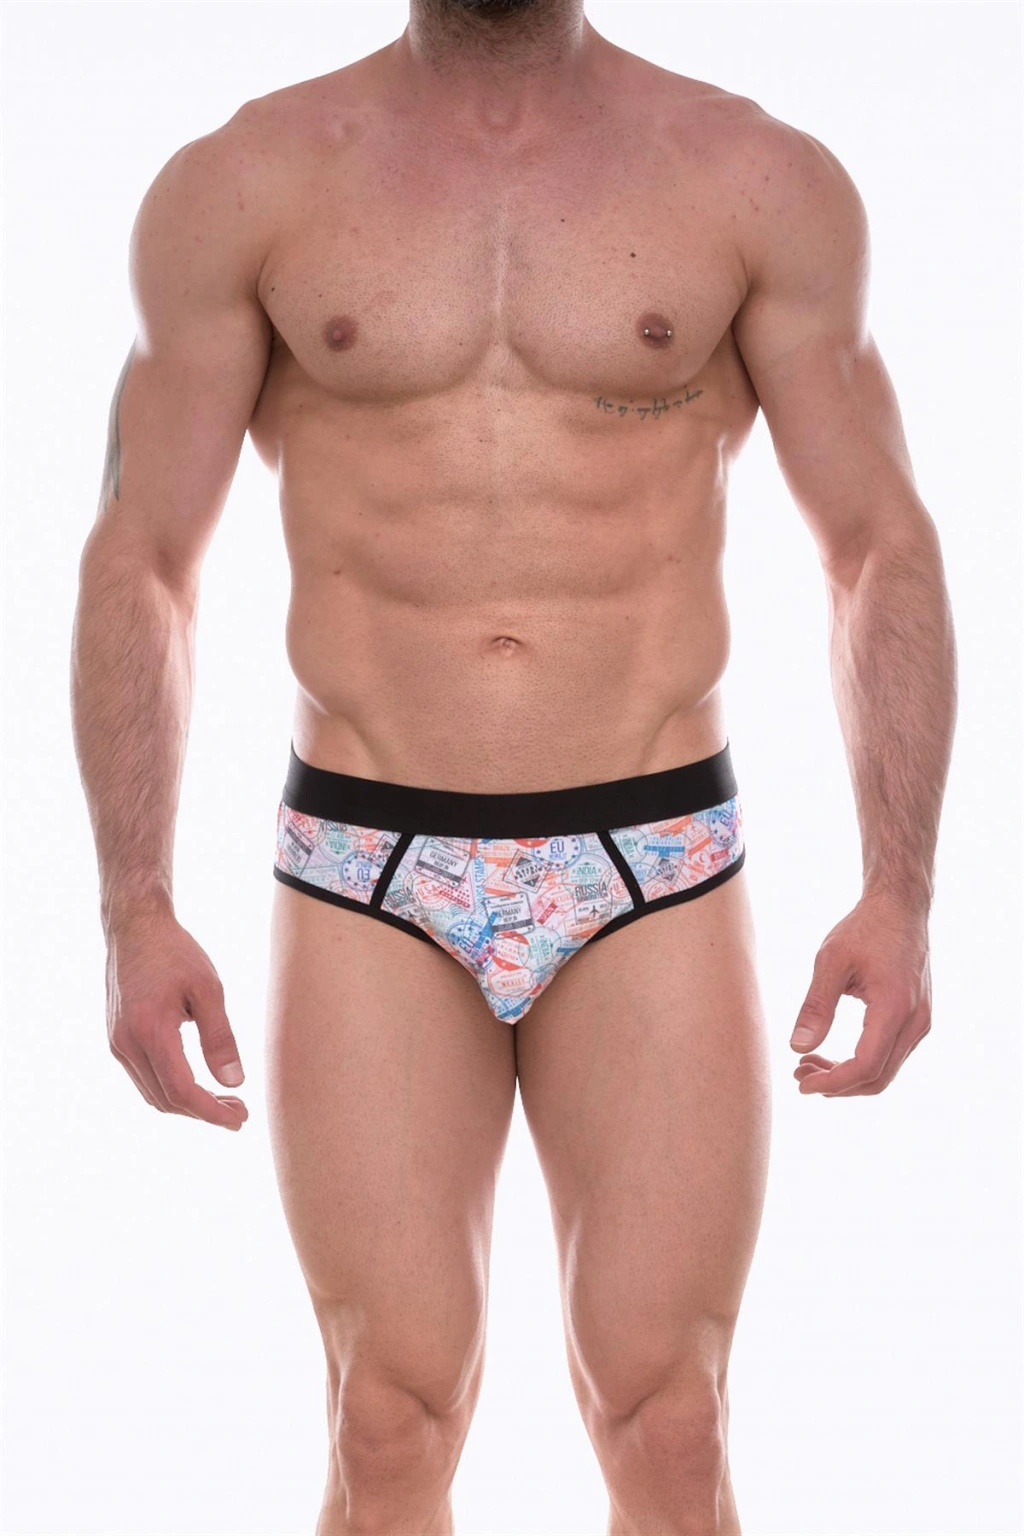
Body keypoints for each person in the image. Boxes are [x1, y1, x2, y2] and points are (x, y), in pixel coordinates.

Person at [70, 1, 957, 1531]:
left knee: (670, 1420)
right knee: (387, 1420)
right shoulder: (249, 181)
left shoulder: (752, 177)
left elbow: (878, 544)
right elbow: (142, 556)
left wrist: (903, 889)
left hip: (653, 858)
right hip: (367, 864)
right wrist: (132, 908)